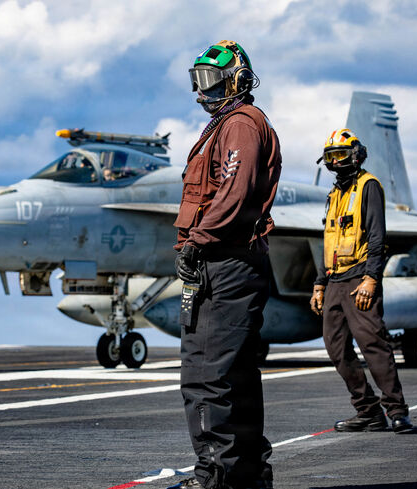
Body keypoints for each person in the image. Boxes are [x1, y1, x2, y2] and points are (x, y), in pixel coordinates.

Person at [170, 40, 282, 489]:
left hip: (226, 263)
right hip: (227, 262)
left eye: (212, 81)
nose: (203, 92)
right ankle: (247, 477)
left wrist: (197, 241)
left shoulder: (239, 125)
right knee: (234, 376)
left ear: (237, 79)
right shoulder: (227, 126)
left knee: (206, 377)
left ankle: (216, 476)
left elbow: (233, 193)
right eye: (198, 81)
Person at [310, 128, 414, 434]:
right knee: (336, 348)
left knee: (373, 344)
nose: (336, 162)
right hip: (334, 281)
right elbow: (327, 239)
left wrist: (371, 278)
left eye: (341, 155)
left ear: (356, 156)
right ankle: (367, 411)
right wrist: (319, 283)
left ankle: (397, 411)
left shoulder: (368, 186)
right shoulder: (334, 194)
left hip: (359, 279)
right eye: (331, 157)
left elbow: (378, 237)